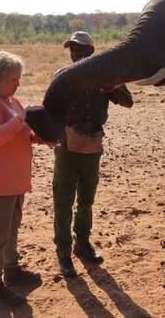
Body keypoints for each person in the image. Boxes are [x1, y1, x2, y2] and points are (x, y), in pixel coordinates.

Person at [0, 51, 49, 306]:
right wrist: (21, 120)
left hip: (12, 180)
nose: (18, 83)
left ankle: (11, 270)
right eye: (14, 78)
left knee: (11, 227)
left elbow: (21, 131)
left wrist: (39, 137)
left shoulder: (8, 100)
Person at [53, 31, 133, 277]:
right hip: (67, 145)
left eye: (79, 49)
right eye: (72, 49)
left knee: (86, 200)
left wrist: (112, 89)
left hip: (92, 144)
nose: (74, 53)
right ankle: (64, 255)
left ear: (91, 52)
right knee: (63, 202)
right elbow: (50, 109)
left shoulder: (107, 77)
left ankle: (83, 244)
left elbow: (128, 101)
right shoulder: (63, 77)